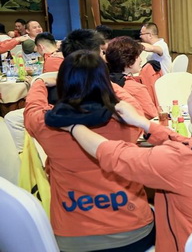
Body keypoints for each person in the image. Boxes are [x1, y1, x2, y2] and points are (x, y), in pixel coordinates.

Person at [63, 64, 192, 251]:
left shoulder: (179, 161)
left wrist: (73, 127)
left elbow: (114, 154)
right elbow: (187, 145)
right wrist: (143, 123)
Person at [24, 50, 155, 251]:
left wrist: (40, 83)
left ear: (63, 85)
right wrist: (100, 81)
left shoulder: (47, 126)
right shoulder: (127, 121)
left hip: (74, 240)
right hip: (134, 234)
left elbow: (32, 108)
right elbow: (129, 103)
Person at [105, 36, 158, 119]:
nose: (140, 60)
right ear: (129, 61)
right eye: (137, 57)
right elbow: (153, 115)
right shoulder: (137, 88)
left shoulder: (105, 82)